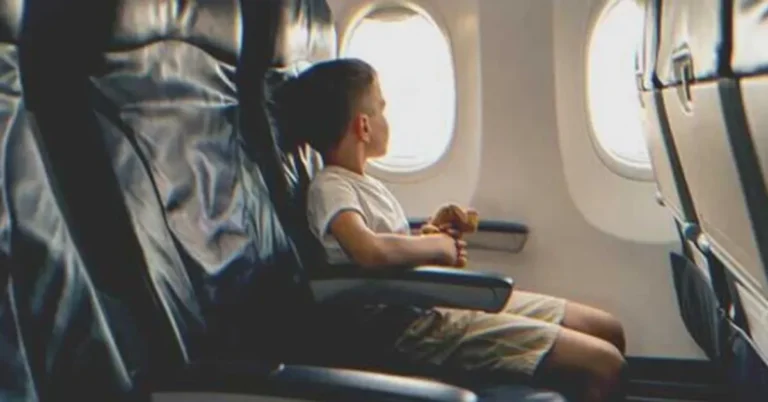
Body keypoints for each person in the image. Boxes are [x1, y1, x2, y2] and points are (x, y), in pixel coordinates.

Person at [279, 58, 627, 402]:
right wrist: (437, 248)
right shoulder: (330, 187)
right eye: (382, 109)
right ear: (364, 127)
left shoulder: (363, 183)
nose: (388, 119)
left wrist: (431, 232)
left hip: (427, 305)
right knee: (604, 363)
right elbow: (369, 252)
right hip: (410, 328)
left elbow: (387, 251)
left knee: (607, 329)